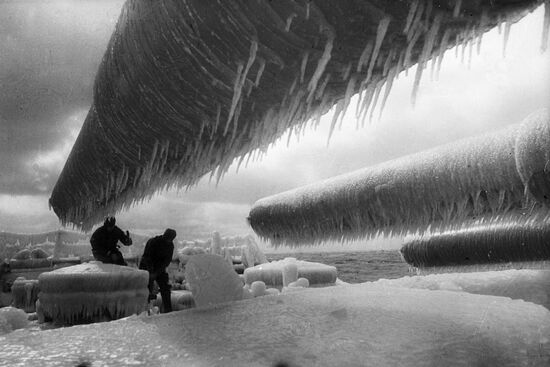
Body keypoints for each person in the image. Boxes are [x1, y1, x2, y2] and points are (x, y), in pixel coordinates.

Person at [139, 228, 176, 313]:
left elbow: (167, 261)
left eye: (171, 239)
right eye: (168, 238)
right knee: (146, 288)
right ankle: (144, 310)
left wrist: (157, 272)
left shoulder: (170, 245)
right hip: (146, 266)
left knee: (165, 287)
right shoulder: (153, 242)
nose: (169, 241)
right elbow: (147, 257)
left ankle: (168, 310)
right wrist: (151, 272)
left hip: (159, 268)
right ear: (164, 236)